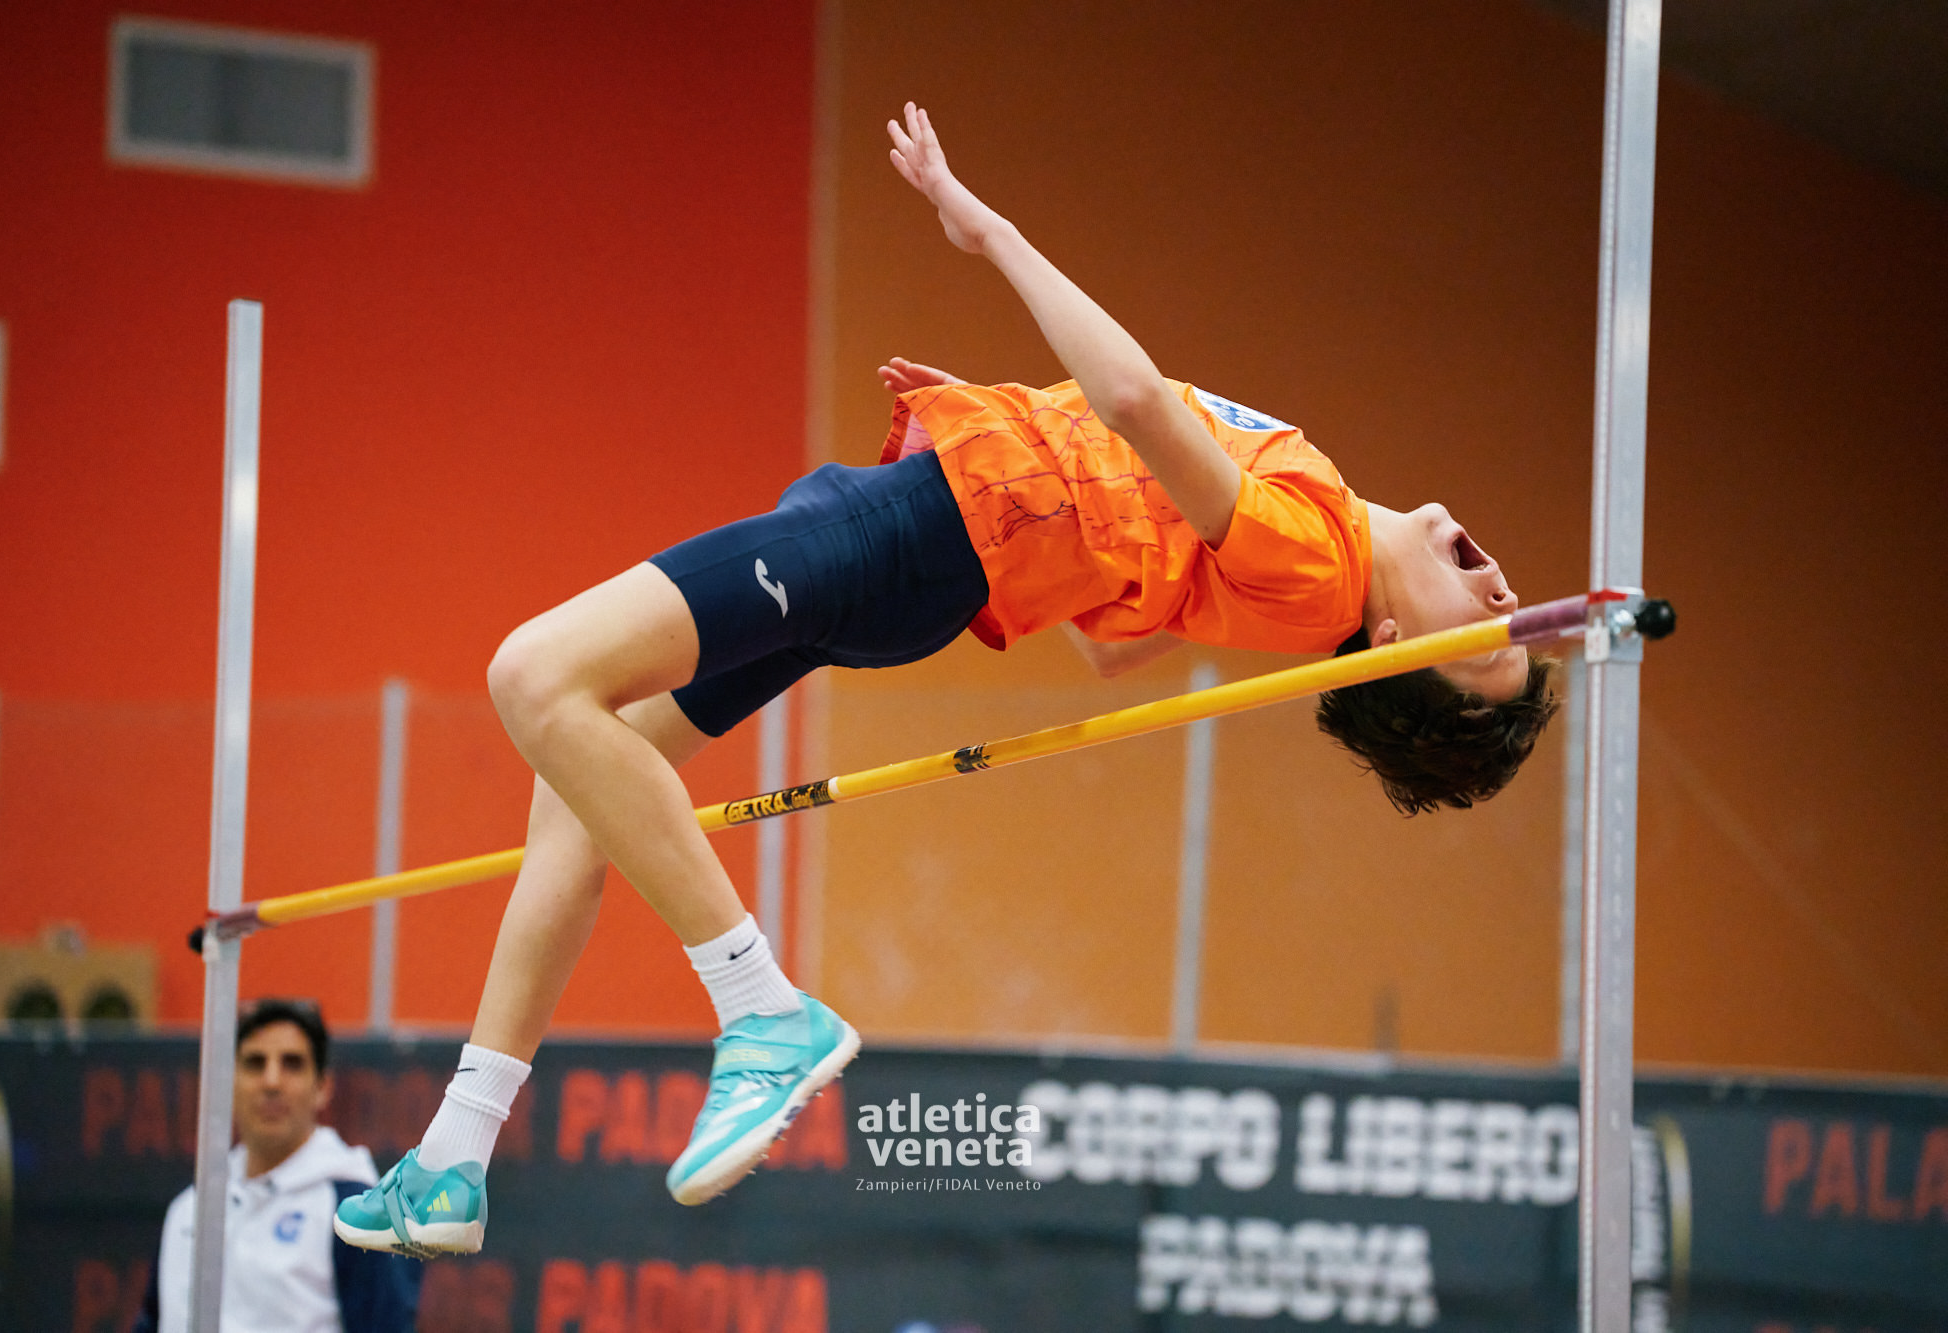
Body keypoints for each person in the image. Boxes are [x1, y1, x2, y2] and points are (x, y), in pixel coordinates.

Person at [334, 103, 1556, 1257]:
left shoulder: (1319, 561)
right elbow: (1109, 628)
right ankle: (452, 1159)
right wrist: (999, 427)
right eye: (1511, 618)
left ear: (1391, 643)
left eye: (1490, 642)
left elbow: (1133, 399)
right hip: (929, 536)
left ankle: (760, 1010)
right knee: (579, 785)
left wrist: (988, 233)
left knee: (534, 675)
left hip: (917, 541)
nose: (1504, 598)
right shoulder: (1302, 570)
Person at [136, 998, 420, 1332]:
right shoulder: (190, 1209)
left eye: (292, 1064)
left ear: (323, 1086)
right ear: (229, 1083)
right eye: (255, 1063)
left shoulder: (358, 1216)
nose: (271, 1082)